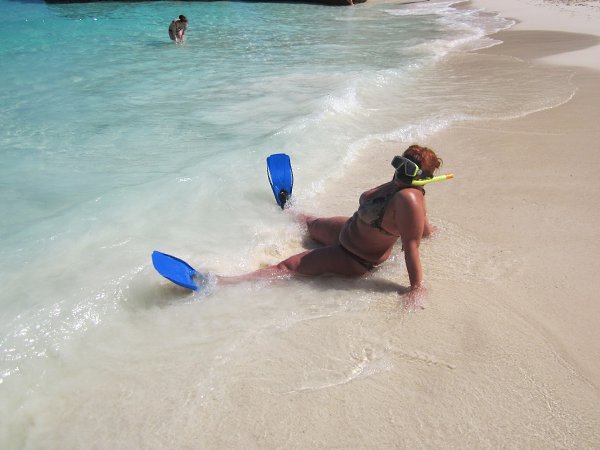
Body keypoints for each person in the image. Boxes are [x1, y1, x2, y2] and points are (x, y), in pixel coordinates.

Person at [219, 145, 443, 301]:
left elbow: (411, 246)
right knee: (309, 221)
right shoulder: (399, 183)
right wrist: (428, 231)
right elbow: (418, 224)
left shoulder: (409, 198)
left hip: (353, 257)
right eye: (399, 163)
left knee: (285, 268)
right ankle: (288, 207)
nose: (400, 171)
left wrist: (416, 289)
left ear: (422, 177)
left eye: (408, 169)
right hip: (348, 229)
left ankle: (222, 283)